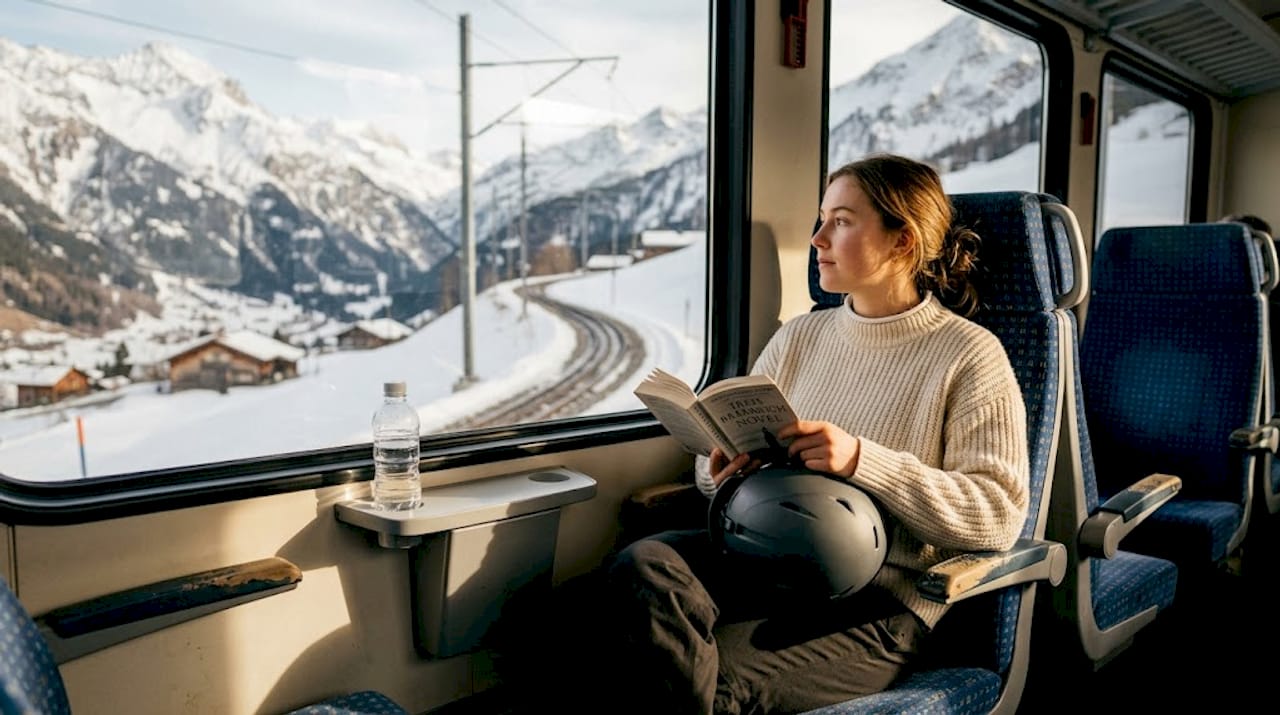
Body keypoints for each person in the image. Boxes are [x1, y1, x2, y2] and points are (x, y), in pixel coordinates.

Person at [516, 154, 1029, 715]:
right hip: (767, 560)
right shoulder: (803, 337)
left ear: (902, 241)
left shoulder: (969, 355)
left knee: (704, 685)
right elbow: (734, 445)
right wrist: (720, 473)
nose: (817, 239)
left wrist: (860, 460)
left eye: (841, 221)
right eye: (820, 219)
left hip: (880, 601)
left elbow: (998, 514)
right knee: (626, 579)